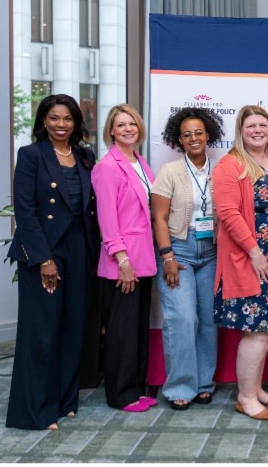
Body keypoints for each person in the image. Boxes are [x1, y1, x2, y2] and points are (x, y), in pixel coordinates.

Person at [6, 94, 100, 430]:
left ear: (76, 122)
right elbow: (25, 210)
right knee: (42, 331)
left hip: (80, 247)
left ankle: (64, 400)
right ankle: (35, 411)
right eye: (54, 118)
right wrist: (44, 259)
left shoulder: (85, 156)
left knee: (73, 327)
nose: (61, 124)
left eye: (68, 118)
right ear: (43, 121)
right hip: (45, 249)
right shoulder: (30, 155)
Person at [212, 105, 268, 421]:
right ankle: (246, 398)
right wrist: (255, 252)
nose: (257, 130)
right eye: (251, 126)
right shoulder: (230, 165)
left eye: (262, 125)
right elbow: (229, 214)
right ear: (240, 131)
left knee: (267, 328)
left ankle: (257, 389)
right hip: (251, 258)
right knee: (256, 330)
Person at [151, 108, 224, 411]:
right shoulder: (170, 171)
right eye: (187, 134)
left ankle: (204, 383)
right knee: (182, 318)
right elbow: (159, 217)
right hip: (178, 249)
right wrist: (167, 255)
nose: (193, 138)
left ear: (208, 135)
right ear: (179, 140)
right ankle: (180, 386)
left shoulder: (220, 169)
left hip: (211, 251)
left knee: (208, 320)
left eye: (198, 132)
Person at [91, 104, 157, 413]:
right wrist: (122, 261)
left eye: (132, 123)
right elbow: (107, 220)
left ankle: (135, 389)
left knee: (137, 329)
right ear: (111, 131)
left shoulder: (140, 162)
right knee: (121, 332)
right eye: (121, 125)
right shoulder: (107, 167)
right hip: (123, 262)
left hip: (144, 259)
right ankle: (120, 395)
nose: (128, 129)